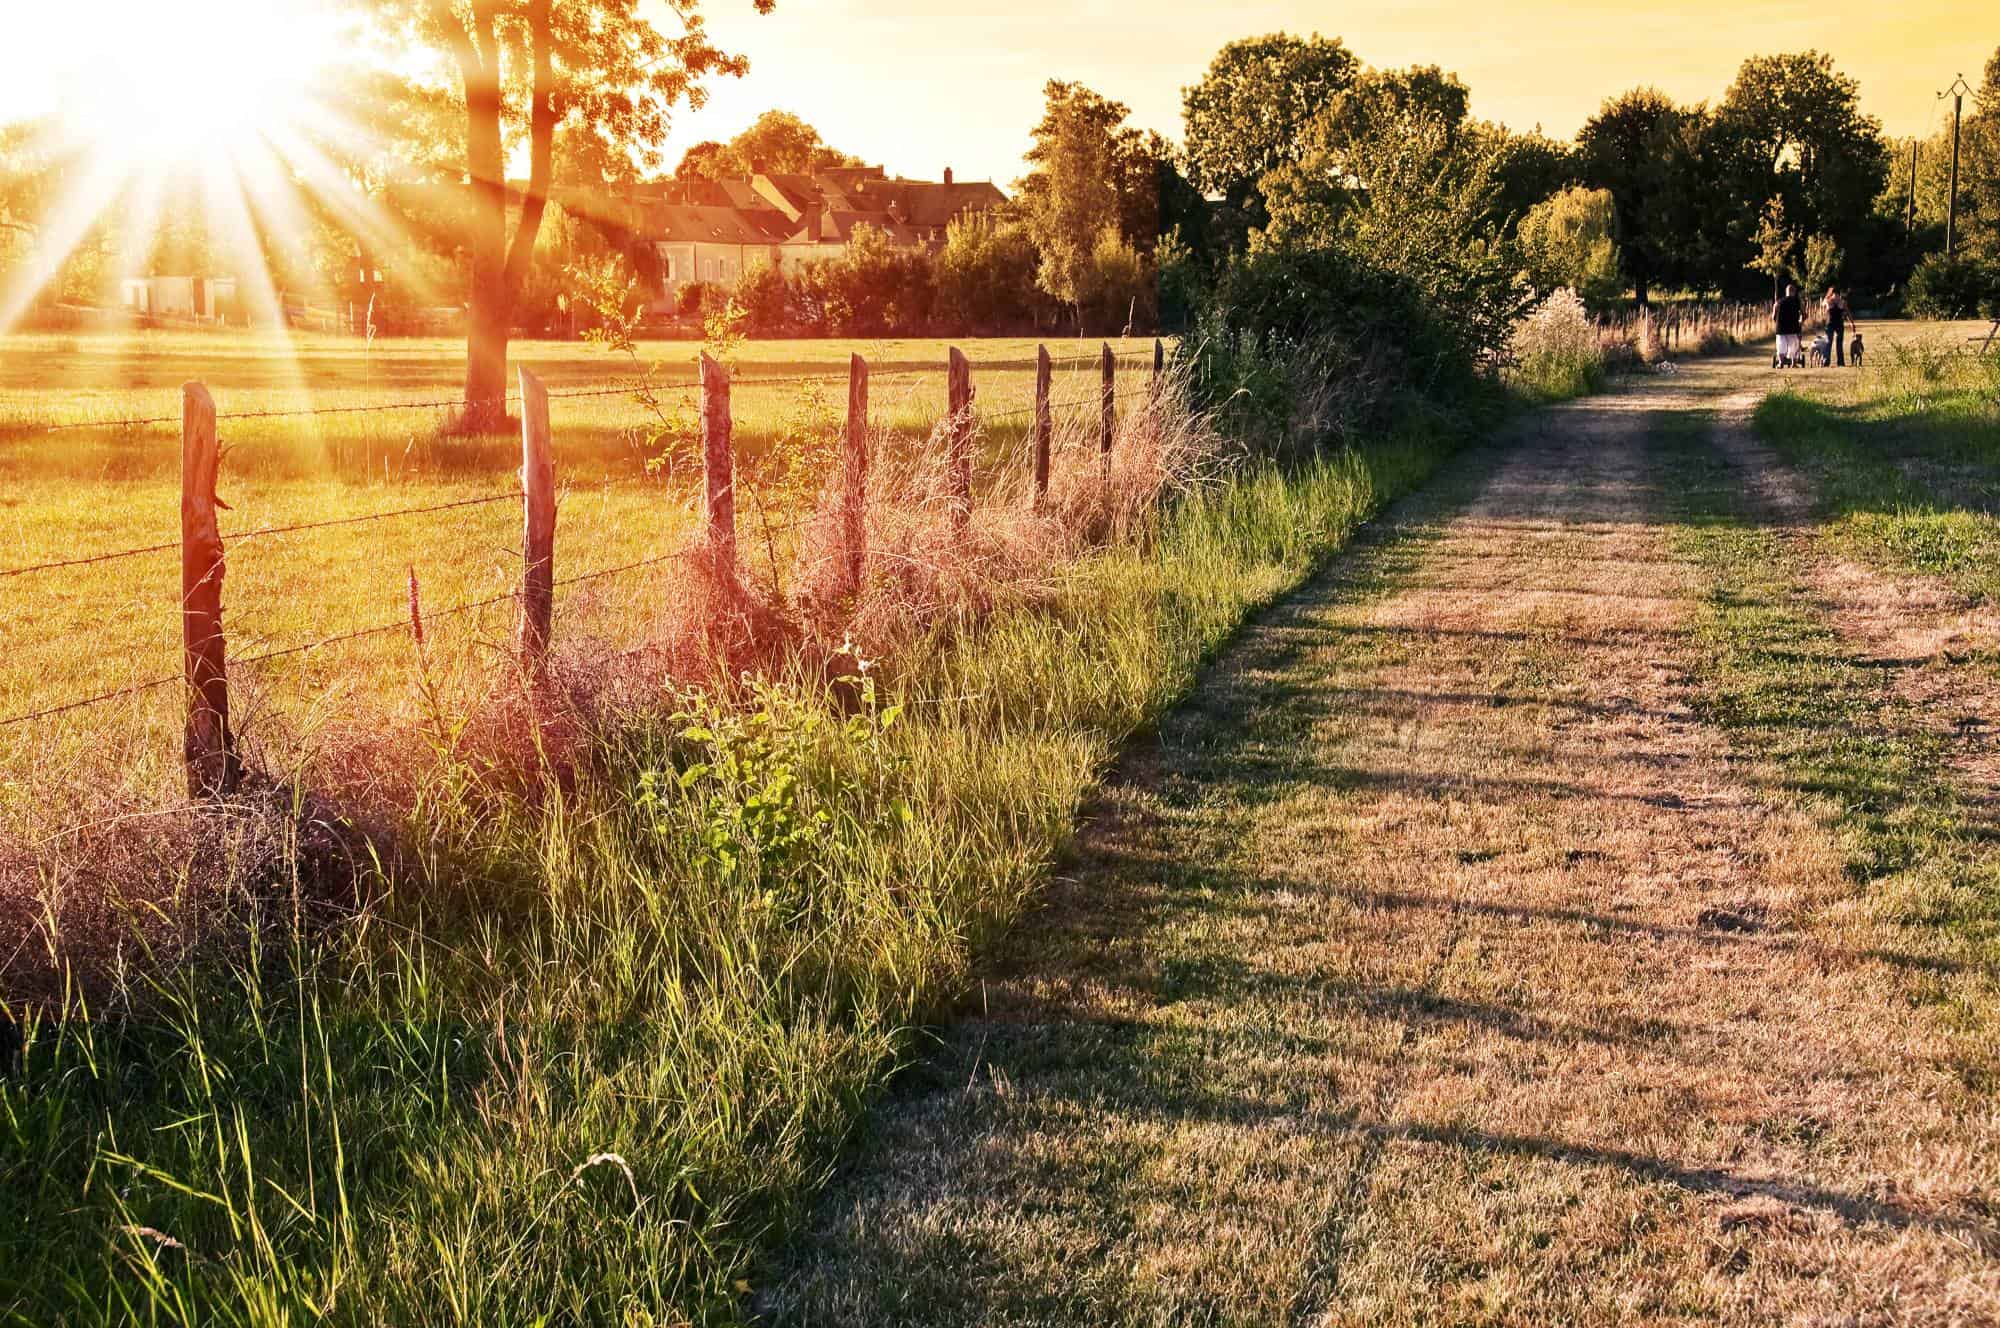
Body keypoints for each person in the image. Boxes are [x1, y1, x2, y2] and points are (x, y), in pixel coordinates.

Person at [1773, 283, 1803, 367]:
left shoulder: (1778, 302)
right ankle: (1793, 363)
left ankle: (1781, 363)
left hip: (1781, 328)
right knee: (1793, 346)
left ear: (1786, 292)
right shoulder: (1797, 302)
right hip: (1793, 328)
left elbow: (1773, 316)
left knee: (1781, 346)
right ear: (1794, 292)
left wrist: (1777, 322)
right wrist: (1801, 322)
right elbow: (1803, 314)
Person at [1821, 287, 1848, 367]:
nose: (1836, 296)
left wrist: (1851, 323)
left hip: (1835, 324)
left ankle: (1835, 362)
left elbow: (1847, 312)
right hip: (1833, 324)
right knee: (1832, 342)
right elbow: (1823, 307)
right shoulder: (1831, 301)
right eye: (1835, 294)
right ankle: (1831, 361)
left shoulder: (1841, 302)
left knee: (1834, 343)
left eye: (1837, 294)